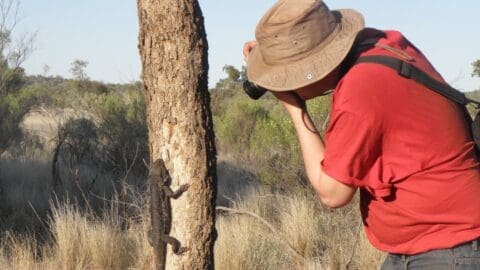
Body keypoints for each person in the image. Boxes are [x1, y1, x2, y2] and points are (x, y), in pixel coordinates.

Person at [242, 0, 480, 269]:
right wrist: (271, 56)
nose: (282, 83)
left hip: (446, 249)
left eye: (285, 76)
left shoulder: (360, 89)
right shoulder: (380, 44)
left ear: (313, 67)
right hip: (430, 245)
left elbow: (332, 193)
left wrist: (294, 108)